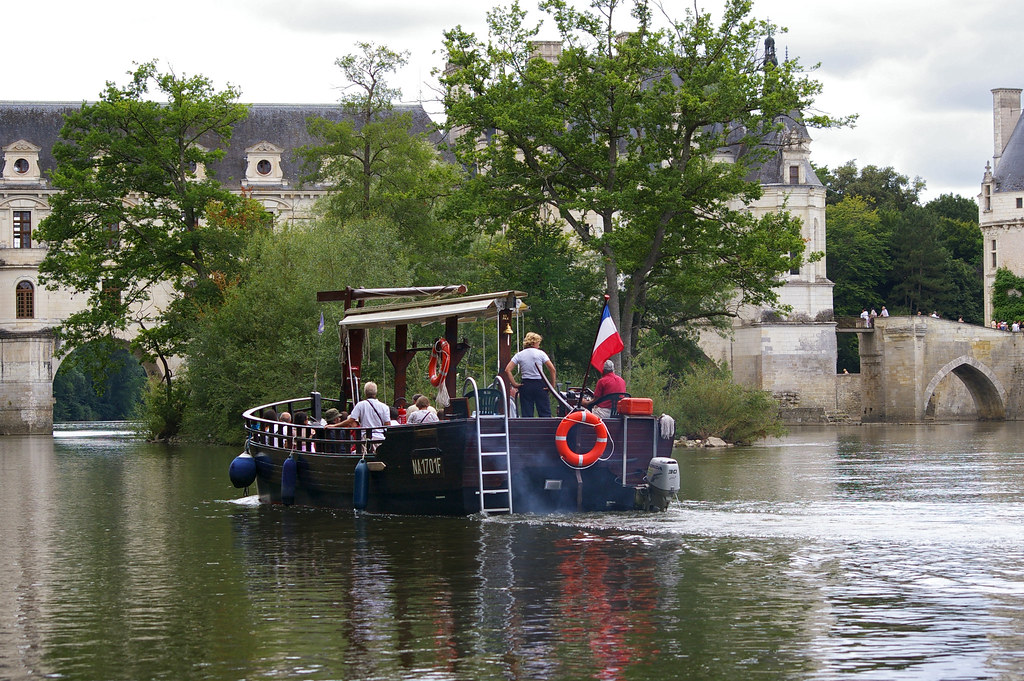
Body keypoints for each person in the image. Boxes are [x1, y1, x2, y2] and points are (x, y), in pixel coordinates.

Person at [504, 332, 557, 417]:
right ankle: (545, 429)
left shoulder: (520, 354)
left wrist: (514, 384)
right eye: (538, 342)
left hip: (526, 385)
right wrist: (552, 385)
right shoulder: (541, 353)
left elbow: (507, 370)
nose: (539, 344)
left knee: (527, 413)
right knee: (544, 412)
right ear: (534, 342)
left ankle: (528, 429)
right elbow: (552, 369)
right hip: (539, 385)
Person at [339, 382, 391, 448]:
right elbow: (387, 424)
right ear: (376, 392)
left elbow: (351, 420)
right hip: (379, 438)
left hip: (365, 439)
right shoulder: (384, 407)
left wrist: (335, 425)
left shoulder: (360, 405)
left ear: (365, 392)